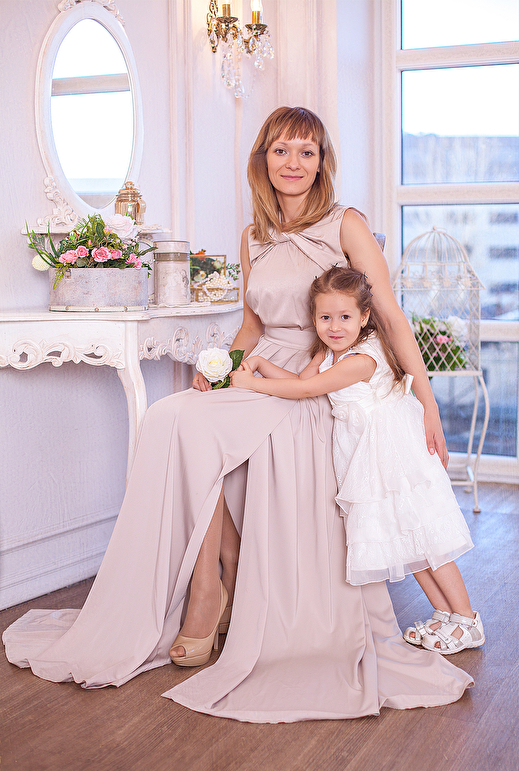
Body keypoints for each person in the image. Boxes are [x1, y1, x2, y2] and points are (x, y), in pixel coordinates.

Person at [2, 107, 473, 722]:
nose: (293, 163)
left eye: (307, 152)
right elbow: (251, 325)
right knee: (172, 416)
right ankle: (212, 581)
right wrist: (221, 364)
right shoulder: (254, 237)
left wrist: (424, 397)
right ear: (263, 161)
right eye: (281, 150)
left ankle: (215, 592)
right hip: (261, 369)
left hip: (313, 380)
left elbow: (387, 312)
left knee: (192, 425)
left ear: (322, 163)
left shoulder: (347, 224)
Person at [231, 266, 485, 655]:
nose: (334, 327)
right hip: (367, 456)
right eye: (325, 317)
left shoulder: (362, 359)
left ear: (364, 317)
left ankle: (467, 619)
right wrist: (262, 364)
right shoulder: (329, 352)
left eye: (345, 317)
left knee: (425, 536)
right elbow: (300, 382)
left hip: (392, 455)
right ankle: (444, 613)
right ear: (315, 317)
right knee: (404, 540)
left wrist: (251, 382)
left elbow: (309, 390)